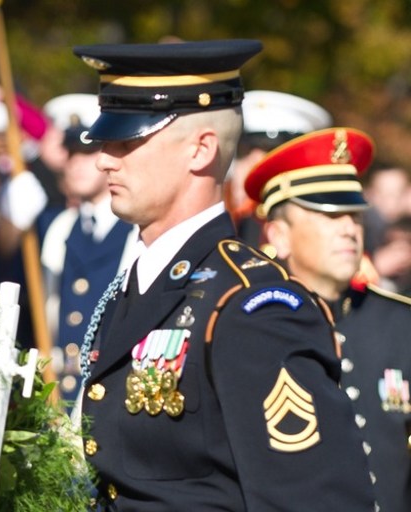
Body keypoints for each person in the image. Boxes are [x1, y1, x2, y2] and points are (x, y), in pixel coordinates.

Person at [73, 39, 375, 510]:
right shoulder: (132, 286)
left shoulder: (253, 307)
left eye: (128, 140)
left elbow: (314, 498)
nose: (105, 158)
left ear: (200, 150)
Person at [246, 127, 411, 511]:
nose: (349, 229)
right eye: (327, 213)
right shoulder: (251, 328)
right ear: (278, 235)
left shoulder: (400, 322)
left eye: (354, 214)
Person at [36, 93, 138, 400]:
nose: (77, 164)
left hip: (109, 394)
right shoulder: (60, 228)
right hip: (59, 395)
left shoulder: (135, 231)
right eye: (71, 152)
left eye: (89, 150)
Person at [224, 90, 332, 246]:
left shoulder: (316, 215)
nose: (254, 159)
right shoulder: (230, 205)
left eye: (269, 150)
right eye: (246, 149)